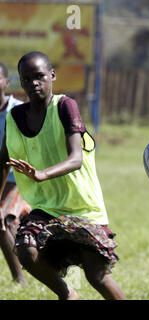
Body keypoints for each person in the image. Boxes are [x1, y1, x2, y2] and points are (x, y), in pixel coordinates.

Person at [0, 51, 125, 300]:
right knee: (25, 249)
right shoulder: (15, 117)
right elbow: (4, 161)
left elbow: (76, 157)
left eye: (39, 76)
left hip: (82, 207)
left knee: (96, 275)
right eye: (27, 78)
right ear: (20, 82)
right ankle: (67, 294)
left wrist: (42, 174)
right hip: (47, 207)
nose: (33, 83)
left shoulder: (65, 106)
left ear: (52, 76)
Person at [0, 62, 31, 284]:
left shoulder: (19, 111)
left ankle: (20, 278)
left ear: (5, 82)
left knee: (3, 218)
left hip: (18, 179)